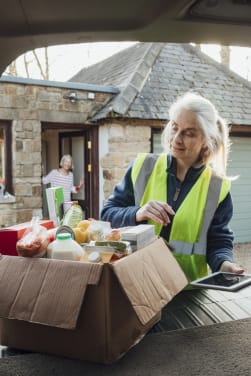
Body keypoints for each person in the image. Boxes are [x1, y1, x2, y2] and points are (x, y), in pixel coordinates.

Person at [100, 92, 244, 283]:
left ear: (206, 140)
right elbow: (107, 214)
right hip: (135, 284)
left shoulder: (217, 188)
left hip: (187, 290)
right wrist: (138, 213)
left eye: (189, 133)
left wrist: (224, 264)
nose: (177, 138)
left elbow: (218, 241)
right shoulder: (143, 167)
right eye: (175, 128)